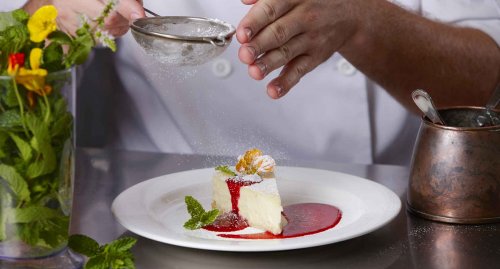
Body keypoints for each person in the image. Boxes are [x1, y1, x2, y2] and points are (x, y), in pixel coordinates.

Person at [4, 0, 500, 166]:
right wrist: (47, 16)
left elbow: (486, 78)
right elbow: (12, 48)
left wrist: (361, 19)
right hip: (159, 203)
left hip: (390, 207)